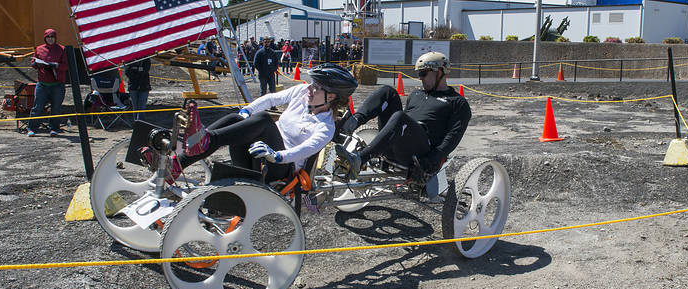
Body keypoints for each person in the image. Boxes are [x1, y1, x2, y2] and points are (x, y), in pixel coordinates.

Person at [145, 63, 358, 184]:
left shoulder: (326, 127)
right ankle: (178, 162)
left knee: (265, 120)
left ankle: (201, 141)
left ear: (330, 97)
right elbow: (271, 99)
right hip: (258, 154)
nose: (309, 88)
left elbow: (305, 150)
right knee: (237, 118)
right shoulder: (303, 93)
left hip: (280, 168)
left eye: (316, 87)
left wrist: (277, 155)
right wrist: (247, 110)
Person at [335, 51, 471, 180]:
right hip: (398, 143)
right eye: (419, 74)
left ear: (440, 72)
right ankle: (348, 125)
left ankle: (359, 159)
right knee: (387, 91)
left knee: (401, 118)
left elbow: (452, 138)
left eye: (423, 73)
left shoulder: (457, 102)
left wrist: (430, 160)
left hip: (420, 153)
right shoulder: (417, 94)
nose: (420, 78)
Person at [27, 28, 69, 137]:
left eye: (52, 37)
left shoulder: (62, 49)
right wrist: (35, 64)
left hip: (57, 84)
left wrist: (56, 65)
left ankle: (54, 128)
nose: (50, 39)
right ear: (45, 38)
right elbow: (33, 62)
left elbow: (66, 66)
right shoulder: (39, 49)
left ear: (55, 38)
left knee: (56, 108)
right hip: (42, 84)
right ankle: (31, 128)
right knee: (37, 107)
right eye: (48, 37)